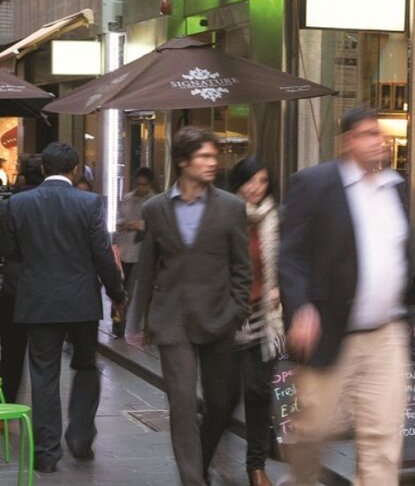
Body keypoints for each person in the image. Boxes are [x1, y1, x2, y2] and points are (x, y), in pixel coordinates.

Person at [280, 106, 410, 486]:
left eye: (379, 134)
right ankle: (300, 479)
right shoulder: (316, 183)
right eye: (368, 134)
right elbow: (291, 254)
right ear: (347, 142)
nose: (378, 141)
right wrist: (301, 306)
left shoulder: (395, 186)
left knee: (383, 438)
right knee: (314, 428)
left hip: (386, 333)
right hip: (332, 331)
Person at [138, 127, 251, 486]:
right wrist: (140, 319)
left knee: (221, 401)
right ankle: (192, 479)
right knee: (183, 405)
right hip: (173, 321)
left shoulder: (231, 207)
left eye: (213, 156)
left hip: (220, 318)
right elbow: (148, 266)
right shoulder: (154, 209)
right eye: (203, 156)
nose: (212, 163)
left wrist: (237, 310)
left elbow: (241, 267)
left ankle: (198, 461)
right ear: (183, 161)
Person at [3, 142, 124, 473]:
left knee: (44, 374)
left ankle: (45, 453)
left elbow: (11, 257)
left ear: (43, 169)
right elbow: (102, 254)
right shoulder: (88, 203)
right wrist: (117, 292)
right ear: (74, 170)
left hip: (37, 302)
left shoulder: (17, 204)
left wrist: (26, 289)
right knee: (85, 366)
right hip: (80, 301)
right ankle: (81, 437)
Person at [228, 155, 285, 486]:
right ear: (238, 183)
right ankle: (207, 453)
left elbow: (284, 264)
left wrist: (279, 288)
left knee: (258, 391)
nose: (256, 188)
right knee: (223, 397)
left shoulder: (273, 219)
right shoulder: (224, 215)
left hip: (264, 319)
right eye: (250, 181)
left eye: (263, 182)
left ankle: (256, 465)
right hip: (227, 319)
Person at [0, 156, 41, 405]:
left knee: (12, 350)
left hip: (13, 288)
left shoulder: (9, 204)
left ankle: (8, 403)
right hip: (47, 288)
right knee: (44, 357)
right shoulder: (54, 203)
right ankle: (43, 413)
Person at [113, 167, 154, 338]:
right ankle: (118, 324)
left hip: (140, 251)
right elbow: (122, 216)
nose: (141, 187)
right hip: (123, 248)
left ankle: (134, 326)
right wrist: (122, 223)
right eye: (138, 184)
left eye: (144, 184)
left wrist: (139, 225)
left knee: (132, 290)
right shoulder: (128, 198)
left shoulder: (153, 201)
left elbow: (155, 225)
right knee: (118, 289)